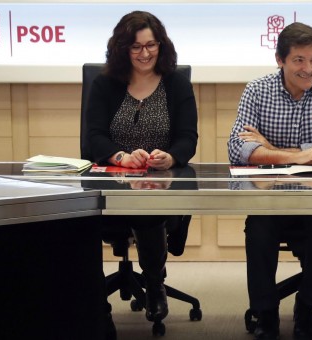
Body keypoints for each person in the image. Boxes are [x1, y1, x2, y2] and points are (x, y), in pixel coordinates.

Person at [227, 22, 312, 340]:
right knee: (258, 230)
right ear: (280, 60)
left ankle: (306, 307)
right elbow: (238, 148)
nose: (309, 69)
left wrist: (268, 149)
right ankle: (265, 313)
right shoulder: (258, 89)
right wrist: (297, 156)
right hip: (271, 196)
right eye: (299, 60)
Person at [85, 10, 198, 332]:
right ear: (122, 49)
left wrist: (171, 157)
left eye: (152, 45)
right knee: (78, 217)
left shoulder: (175, 82)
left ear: (161, 45)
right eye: (136, 47)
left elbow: (188, 138)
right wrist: (119, 156)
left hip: (159, 184)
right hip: (112, 180)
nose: (145, 53)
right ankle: (91, 297)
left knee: (147, 208)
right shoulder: (106, 83)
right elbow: (93, 137)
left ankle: (154, 285)